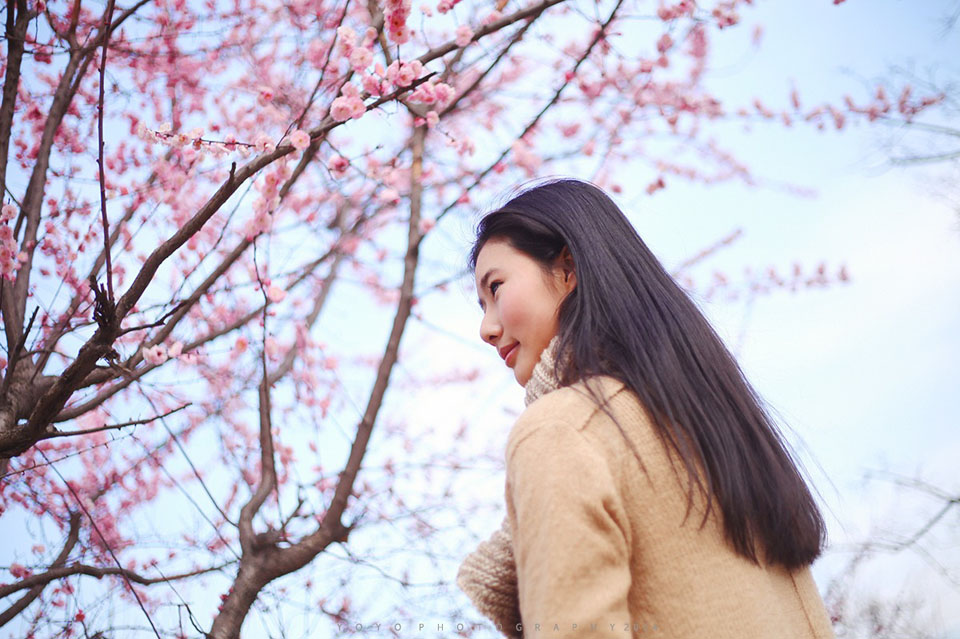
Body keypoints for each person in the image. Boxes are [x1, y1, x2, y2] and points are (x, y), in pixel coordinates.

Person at [456, 178, 835, 638]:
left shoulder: (562, 431)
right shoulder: (713, 422)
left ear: (569, 268)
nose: (486, 328)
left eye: (496, 288)